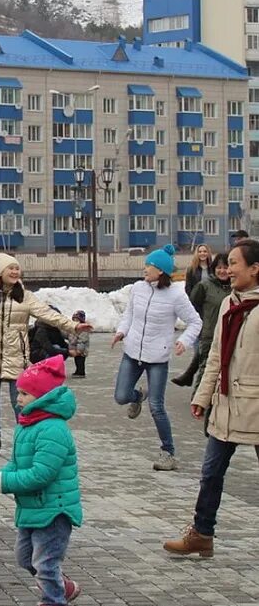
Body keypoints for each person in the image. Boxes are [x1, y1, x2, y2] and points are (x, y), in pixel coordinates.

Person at [164, 238, 259, 558]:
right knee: (211, 472)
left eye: (234, 263)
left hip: (256, 405)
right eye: (227, 263)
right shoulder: (229, 304)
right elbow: (216, 356)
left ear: (255, 269)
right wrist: (202, 397)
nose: (227, 269)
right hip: (226, 404)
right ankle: (202, 534)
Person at [0, 254, 90, 456]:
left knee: (19, 401)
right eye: (11, 268)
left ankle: (25, 439)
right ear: (1, 272)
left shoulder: (25, 297)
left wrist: (74, 326)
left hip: (16, 355)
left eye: (17, 269)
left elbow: (49, 315)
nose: (15, 272)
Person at [0, 356, 82, 606]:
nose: (17, 398)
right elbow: (18, 464)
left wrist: (5, 483)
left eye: (24, 393)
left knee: (45, 563)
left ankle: (53, 600)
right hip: (33, 508)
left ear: (43, 396)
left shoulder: (53, 429)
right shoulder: (27, 426)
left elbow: (41, 474)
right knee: (25, 558)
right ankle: (62, 587)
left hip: (54, 510)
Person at [111, 244, 201, 471]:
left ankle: (168, 453)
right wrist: (121, 331)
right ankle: (137, 395)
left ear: (160, 270)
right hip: (132, 352)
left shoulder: (176, 295)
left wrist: (184, 341)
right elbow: (129, 315)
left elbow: (195, 322)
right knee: (121, 396)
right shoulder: (138, 289)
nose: (144, 270)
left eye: (148, 266)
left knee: (157, 407)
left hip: (157, 357)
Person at [174, 253, 231, 389]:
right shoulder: (204, 286)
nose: (222, 271)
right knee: (206, 371)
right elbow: (193, 306)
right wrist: (202, 323)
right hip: (209, 334)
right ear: (214, 269)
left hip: (230, 335)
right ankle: (199, 404)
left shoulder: (236, 286)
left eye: (225, 267)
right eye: (219, 267)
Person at [67, 311, 91, 378]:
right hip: (75, 348)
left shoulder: (83, 329)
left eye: (77, 319)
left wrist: (79, 350)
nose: (75, 321)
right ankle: (78, 371)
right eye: (74, 319)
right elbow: (68, 335)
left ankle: (81, 372)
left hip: (81, 349)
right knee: (76, 360)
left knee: (80, 361)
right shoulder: (73, 328)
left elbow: (82, 341)